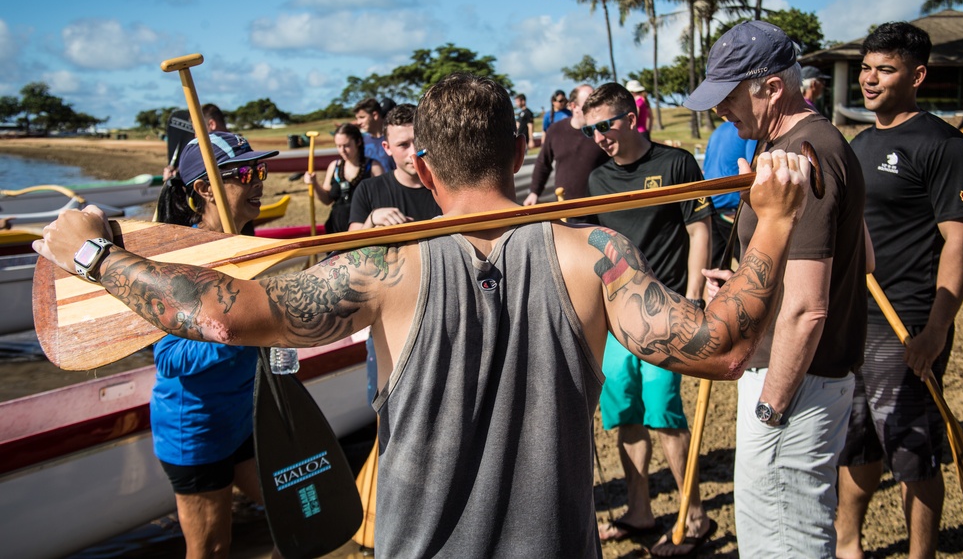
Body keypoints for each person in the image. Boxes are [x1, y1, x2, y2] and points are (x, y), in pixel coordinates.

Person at [36, 72, 813, 559]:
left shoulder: (384, 266)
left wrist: (95, 258)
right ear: (518, 155)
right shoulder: (597, 254)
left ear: (426, 169)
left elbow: (222, 317)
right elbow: (722, 346)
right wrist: (773, 220)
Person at [685, 20, 869, 558]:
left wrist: (772, 408)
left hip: (797, 385)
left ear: (771, 87)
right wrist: (746, 280)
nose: (719, 110)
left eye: (728, 96)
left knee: (785, 541)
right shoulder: (806, 144)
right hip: (807, 378)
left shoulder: (802, 156)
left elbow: (809, 308)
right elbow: (864, 258)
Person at [836, 22, 963, 559]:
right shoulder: (859, 143)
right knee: (856, 442)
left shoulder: (944, 146)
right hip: (857, 319)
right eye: (866, 68)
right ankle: (846, 545)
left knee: (911, 450)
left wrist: (936, 329)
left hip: (908, 323)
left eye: (885, 69)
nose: (870, 80)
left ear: (917, 75)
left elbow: (960, 243)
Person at [584, 82, 715, 557]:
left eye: (606, 124)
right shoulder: (597, 181)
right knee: (627, 416)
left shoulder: (675, 163)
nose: (599, 135)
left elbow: (699, 227)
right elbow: (593, 246)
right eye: (590, 129)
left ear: (632, 117)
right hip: (618, 322)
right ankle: (640, 511)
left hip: (669, 315)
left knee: (665, 415)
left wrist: (694, 298)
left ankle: (694, 514)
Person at [151, 131, 280, 559]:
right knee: (211, 549)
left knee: (296, 510)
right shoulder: (181, 262)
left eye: (260, 169)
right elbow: (169, 358)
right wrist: (246, 330)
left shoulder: (248, 249)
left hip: (242, 419)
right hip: (197, 430)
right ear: (205, 189)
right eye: (245, 172)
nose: (258, 180)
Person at [348, 103, 442, 403]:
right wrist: (372, 221)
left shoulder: (448, 188)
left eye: (419, 141)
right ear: (387, 148)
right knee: (385, 403)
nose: (414, 151)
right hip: (388, 322)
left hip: (442, 315)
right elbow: (349, 250)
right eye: (404, 145)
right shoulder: (369, 191)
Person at [523, 84, 606, 218]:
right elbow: (543, 163)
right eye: (589, 103)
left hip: (600, 212)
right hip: (567, 212)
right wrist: (534, 192)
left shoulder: (602, 132)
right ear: (574, 106)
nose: (595, 108)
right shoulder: (556, 131)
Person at [304, 123, 383, 234]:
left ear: (358, 142)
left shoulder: (374, 167)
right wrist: (314, 184)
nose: (342, 150)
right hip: (335, 228)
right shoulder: (334, 167)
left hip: (363, 230)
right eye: (338, 146)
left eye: (346, 145)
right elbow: (327, 200)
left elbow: (382, 201)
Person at [701, 121, 757, 268]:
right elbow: (753, 167)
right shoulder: (749, 129)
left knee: (716, 268)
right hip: (730, 205)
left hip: (711, 203)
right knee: (749, 265)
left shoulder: (719, 130)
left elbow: (707, 166)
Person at [353, 97, 394, 171]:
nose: (358, 122)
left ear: (375, 115)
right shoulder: (361, 142)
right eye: (357, 118)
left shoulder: (394, 138)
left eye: (362, 117)